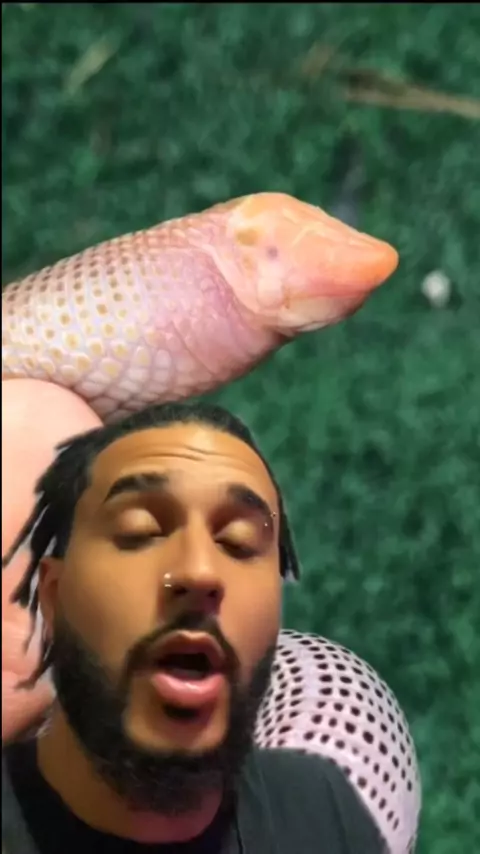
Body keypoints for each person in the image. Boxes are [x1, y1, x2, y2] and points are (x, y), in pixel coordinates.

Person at [2, 400, 386, 853]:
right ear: (53, 596)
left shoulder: (320, 809)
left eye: (239, 542)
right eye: (140, 531)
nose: (199, 572)